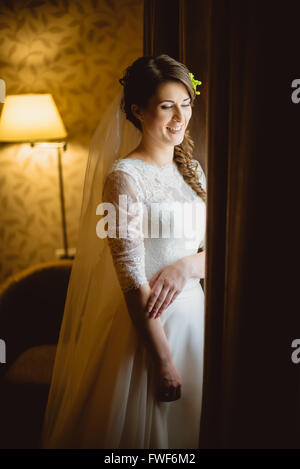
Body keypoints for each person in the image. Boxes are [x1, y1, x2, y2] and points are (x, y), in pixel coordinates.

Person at [41, 54, 207, 449]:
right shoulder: (123, 178)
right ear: (138, 111)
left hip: (197, 321)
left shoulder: (193, 170)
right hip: (150, 329)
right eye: (166, 106)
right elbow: (131, 278)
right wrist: (162, 360)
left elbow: (215, 250)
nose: (179, 118)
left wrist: (186, 266)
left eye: (185, 105)